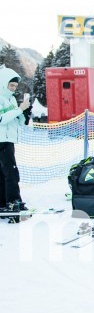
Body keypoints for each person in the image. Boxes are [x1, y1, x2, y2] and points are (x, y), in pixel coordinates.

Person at [0, 67, 30, 214]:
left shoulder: (11, 98)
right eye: (11, 85)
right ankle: (14, 202)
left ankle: (4, 202)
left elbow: (17, 122)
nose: (13, 88)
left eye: (15, 86)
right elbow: (2, 119)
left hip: (8, 140)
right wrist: (18, 110)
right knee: (11, 173)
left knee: (3, 173)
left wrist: (24, 113)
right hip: (2, 141)